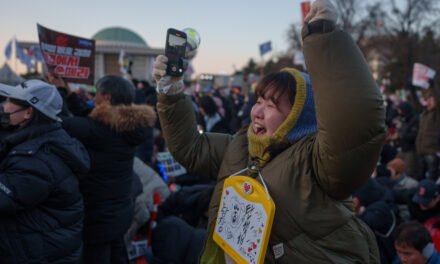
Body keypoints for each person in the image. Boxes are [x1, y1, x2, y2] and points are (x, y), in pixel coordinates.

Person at [153, 0, 385, 263]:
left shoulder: (317, 164)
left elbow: (355, 125)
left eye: (271, 105)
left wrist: (324, 39)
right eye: (259, 101)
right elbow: (190, 148)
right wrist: (171, 92)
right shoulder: (239, 147)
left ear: (298, 118)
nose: (257, 112)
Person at [60, 75, 157, 264]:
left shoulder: (99, 129)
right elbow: (89, 117)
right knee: (117, 254)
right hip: (119, 210)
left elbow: (63, 123)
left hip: (98, 217)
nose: (93, 98)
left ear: (106, 98)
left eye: (97, 94)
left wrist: (60, 92)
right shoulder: (129, 126)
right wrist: (70, 94)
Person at [0, 80, 90, 263]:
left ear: (28, 112)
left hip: (36, 254)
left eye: (9, 101)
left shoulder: (36, 160)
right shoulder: (45, 140)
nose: (3, 106)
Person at [415, 90, 440, 181]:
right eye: (427, 99)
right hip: (421, 151)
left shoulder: (437, 113)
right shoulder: (424, 114)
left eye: (431, 99)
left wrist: (432, 83)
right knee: (420, 178)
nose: (429, 101)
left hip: (432, 152)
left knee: (431, 179)